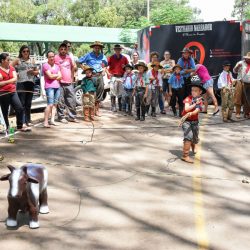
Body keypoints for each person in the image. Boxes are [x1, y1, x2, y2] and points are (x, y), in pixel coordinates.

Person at [0, 53, 29, 132]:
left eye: (10, 60)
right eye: (7, 60)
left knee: (19, 108)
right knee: (5, 111)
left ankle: (20, 126)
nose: (9, 61)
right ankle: (7, 127)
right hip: (3, 93)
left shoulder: (12, 68)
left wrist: (5, 81)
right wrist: (10, 81)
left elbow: (15, 79)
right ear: (2, 61)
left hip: (13, 91)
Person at [78, 41, 108, 116]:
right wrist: (85, 69)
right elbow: (79, 61)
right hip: (91, 76)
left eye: (98, 47)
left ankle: (96, 110)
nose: (97, 48)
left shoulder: (103, 56)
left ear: (100, 48)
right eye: (95, 47)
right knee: (90, 93)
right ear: (93, 48)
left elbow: (105, 65)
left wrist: (104, 70)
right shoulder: (88, 55)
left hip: (100, 75)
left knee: (99, 93)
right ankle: (89, 112)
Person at [12, 45, 39, 127]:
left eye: (27, 51)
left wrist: (32, 72)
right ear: (21, 52)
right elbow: (10, 67)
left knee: (28, 103)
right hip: (21, 83)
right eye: (24, 51)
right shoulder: (18, 60)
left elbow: (37, 71)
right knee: (22, 104)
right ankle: (22, 122)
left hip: (30, 83)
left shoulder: (32, 60)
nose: (26, 53)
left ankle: (28, 120)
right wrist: (15, 74)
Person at [181, 81, 205, 163]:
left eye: (195, 90)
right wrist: (194, 103)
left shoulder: (200, 100)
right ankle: (185, 155)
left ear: (200, 92)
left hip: (195, 121)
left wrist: (192, 113)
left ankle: (194, 145)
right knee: (188, 136)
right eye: (192, 90)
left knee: (195, 137)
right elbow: (187, 109)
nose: (193, 92)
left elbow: (197, 110)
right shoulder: (188, 99)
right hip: (186, 121)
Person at [55, 43, 78, 123]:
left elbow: (72, 67)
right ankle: (61, 117)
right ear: (59, 50)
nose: (63, 51)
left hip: (69, 83)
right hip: (59, 83)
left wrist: (72, 77)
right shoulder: (56, 58)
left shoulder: (68, 58)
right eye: (61, 49)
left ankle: (72, 116)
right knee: (60, 100)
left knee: (71, 100)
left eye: (65, 49)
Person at [42, 51, 61, 128]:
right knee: (50, 104)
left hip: (57, 86)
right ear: (47, 57)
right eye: (50, 56)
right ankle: (45, 121)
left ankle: (52, 120)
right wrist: (55, 75)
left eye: (53, 56)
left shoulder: (57, 66)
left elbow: (60, 76)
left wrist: (54, 75)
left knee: (55, 104)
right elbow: (49, 76)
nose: (52, 58)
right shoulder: (45, 65)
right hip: (49, 86)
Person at [107, 44, 129, 112]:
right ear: (114, 50)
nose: (117, 50)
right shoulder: (111, 57)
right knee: (113, 92)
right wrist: (108, 73)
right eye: (116, 49)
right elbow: (105, 66)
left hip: (121, 77)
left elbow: (127, 68)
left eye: (119, 49)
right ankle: (113, 106)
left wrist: (125, 67)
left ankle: (120, 105)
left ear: (121, 50)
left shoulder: (124, 58)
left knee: (120, 92)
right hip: (113, 76)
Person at [233, 52, 250, 119]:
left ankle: (247, 113)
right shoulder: (240, 63)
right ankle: (238, 112)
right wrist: (237, 67)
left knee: (248, 99)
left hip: (249, 83)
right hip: (240, 82)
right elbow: (234, 71)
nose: (248, 59)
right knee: (238, 97)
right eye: (247, 58)